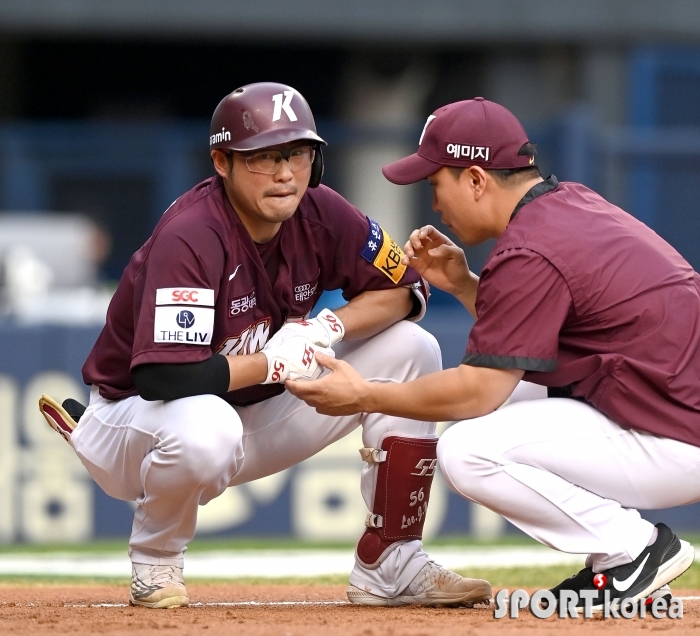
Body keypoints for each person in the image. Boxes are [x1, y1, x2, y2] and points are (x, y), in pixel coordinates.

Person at [38, 82, 492, 610]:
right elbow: (165, 377)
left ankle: (392, 561)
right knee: (208, 427)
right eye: (264, 157)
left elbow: (408, 286)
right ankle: (156, 559)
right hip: (139, 421)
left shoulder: (319, 211)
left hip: (248, 417)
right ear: (222, 161)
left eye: (297, 153)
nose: (284, 173)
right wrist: (272, 360)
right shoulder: (192, 233)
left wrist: (328, 328)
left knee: (414, 348)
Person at [287, 96, 698, 611]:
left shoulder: (529, 248)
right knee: (511, 394)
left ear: (477, 179)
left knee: (468, 450)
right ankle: (620, 555)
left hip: (675, 437)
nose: (435, 202)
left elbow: (479, 391)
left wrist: (365, 394)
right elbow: (529, 334)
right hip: (667, 411)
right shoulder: (566, 207)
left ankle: (631, 551)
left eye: (437, 183)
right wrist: (463, 285)